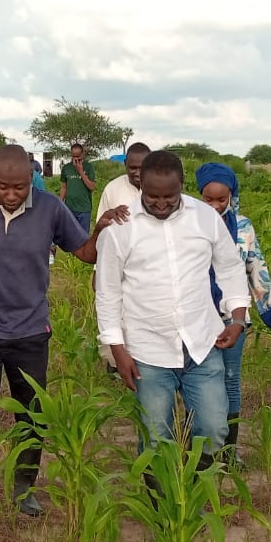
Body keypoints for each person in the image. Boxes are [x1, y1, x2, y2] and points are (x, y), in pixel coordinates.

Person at [0, 143, 120, 540]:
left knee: (32, 413)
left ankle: (24, 491)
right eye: (3, 187)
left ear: (31, 180)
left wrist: (100, 229)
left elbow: (84, 253)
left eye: (20, 187)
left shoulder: (50, 207)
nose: (12, 195)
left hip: (31, 330)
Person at [97, 150, 247, 454]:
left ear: (182, 186)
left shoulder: (205, 218)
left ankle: (191, 493)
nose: (162, 204)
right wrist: (116, 348)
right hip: (148, 351)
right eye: (153, 197)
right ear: (141, 186)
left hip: (202, 344)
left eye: (171, 196)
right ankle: (161, 500)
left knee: (214, 429)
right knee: (156, 437)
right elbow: (108, 291)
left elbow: (230, 266)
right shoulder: (120, 229)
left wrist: (238, 317)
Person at [194, 161, 271, 465]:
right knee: (200, 381)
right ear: (199, 195)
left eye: (222, 199)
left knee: (231, 380)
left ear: (232, 195)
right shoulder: (189, 224)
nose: (215, 205)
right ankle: (199, 450)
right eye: (208, 199)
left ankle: (229, 452)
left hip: (234, 321)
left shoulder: (243, 227)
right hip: (198, 319)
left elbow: (256, 270)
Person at [93, 142, 150, 372]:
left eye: (142, 167)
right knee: (116, 310)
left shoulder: (159, 186)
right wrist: (97, 270)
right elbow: (102, 230)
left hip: (148, 266)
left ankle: (143, 361)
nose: (136, 173)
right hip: (117, 263)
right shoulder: (113, 189)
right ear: (125, 165)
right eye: (131, 167)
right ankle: (115, 361)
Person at [58, 141, 97, 232]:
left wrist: (80, 171)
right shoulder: (66, 168)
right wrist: (60, 202)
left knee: (83, 237)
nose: (76, 159)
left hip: (84, 209)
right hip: (70, 208)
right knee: (71, 236)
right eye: (74, 156)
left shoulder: (88, 167)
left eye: (78, 156)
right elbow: (64, 187)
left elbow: (92, 187)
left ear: (82, 154)